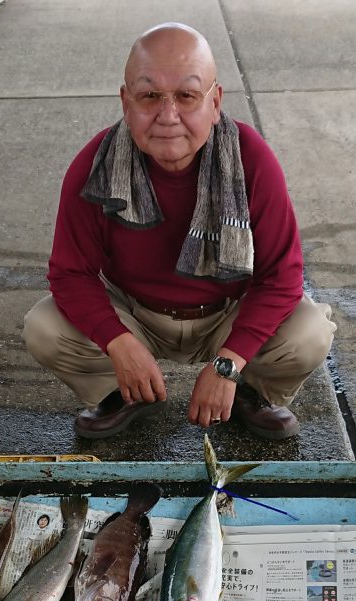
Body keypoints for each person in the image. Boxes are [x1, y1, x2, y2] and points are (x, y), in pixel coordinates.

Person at [23, 23, 336, 441]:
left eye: (187, 96)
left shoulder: (252, 161)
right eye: (149, 96)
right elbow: (69, 273)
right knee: (43, 326)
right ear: (125, 101)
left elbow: (282, 277)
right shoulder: (94, 166)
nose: (168, 116)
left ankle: (246, 390)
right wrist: (119, 343)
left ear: (216, 101)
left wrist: (229, 362)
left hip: (228, 311)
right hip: (136, 313)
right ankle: (127, 391)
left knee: (309, 332)